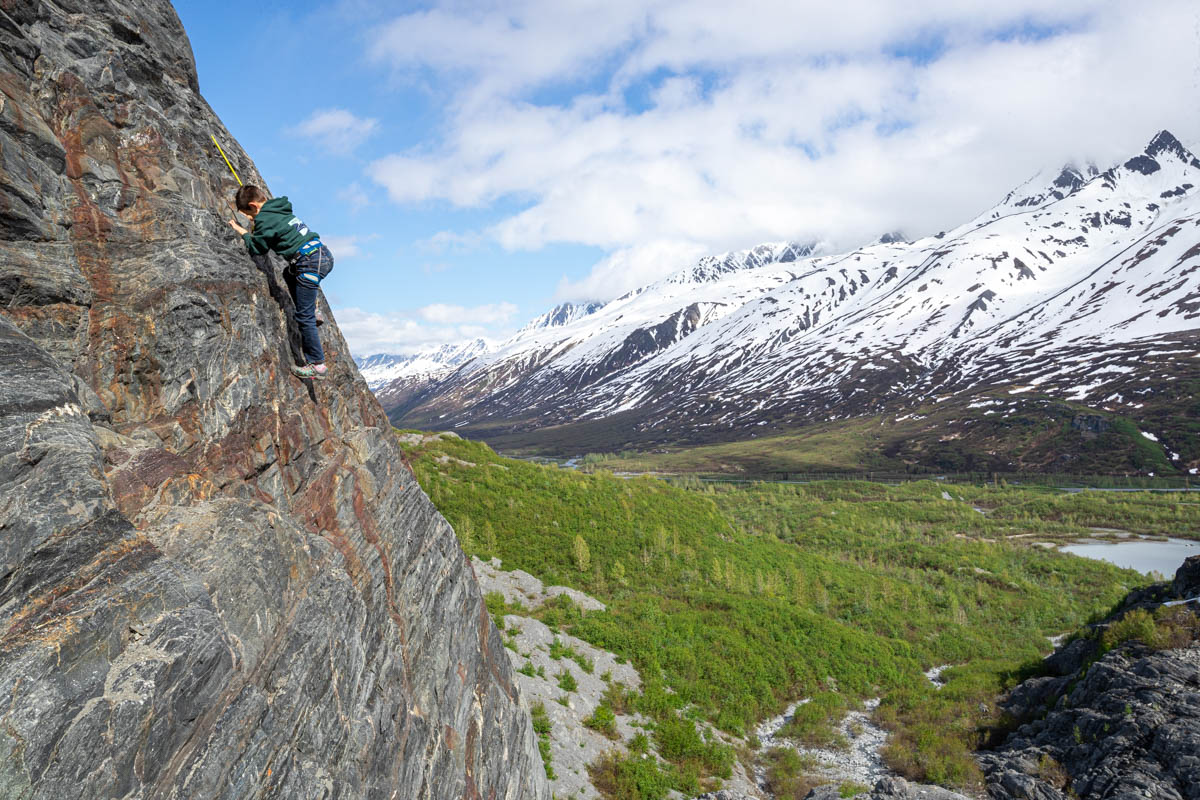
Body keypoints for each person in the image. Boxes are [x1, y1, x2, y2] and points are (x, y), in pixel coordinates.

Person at [227, 185, 333, 379]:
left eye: (249, 215)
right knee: (288, 273)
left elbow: (258, 247)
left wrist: (242, 231)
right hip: (320, 255)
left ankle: (317, 365)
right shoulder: (279, 208)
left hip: (308, 262)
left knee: (304, 318)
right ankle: (313, 310)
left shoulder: (264, 219)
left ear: (253, 206)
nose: (252, 220)